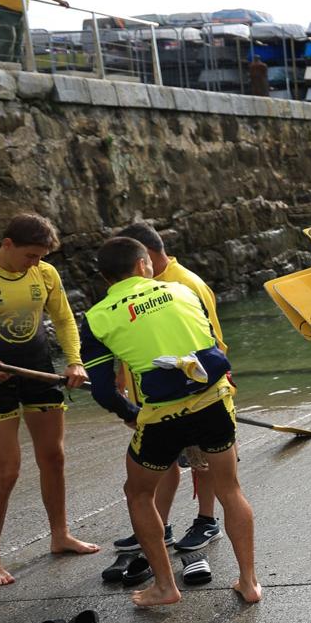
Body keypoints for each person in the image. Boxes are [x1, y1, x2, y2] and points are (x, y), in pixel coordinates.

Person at [80, 237, 260, 607]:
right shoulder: (181, 290)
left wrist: (131, 415)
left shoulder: (97, 318)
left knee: (139, 493)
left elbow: (101, 390)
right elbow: (209, 345)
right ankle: (249, 583)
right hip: (213, 403)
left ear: (104, 277)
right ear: (144, 263)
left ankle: (164, 586)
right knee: (230, 489)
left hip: (162, 417)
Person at [0, 214, 98, 587]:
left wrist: (75, 361)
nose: (36, 263)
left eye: (41, 257)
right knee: (7, 471)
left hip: (40, 373)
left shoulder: (45, 274)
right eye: (30, 255)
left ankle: (60, 535)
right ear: (7, 245)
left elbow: (64, 320)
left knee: (54, 457)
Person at [108, 223, 227, 557]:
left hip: (193, 394)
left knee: (201, 460)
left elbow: (214, 346)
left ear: (144, 258)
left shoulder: (186, 284)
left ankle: (206, 520)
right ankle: (159, 525)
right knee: (165, 463)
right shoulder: (145, 286)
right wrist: (121, 372)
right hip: (154, 398)